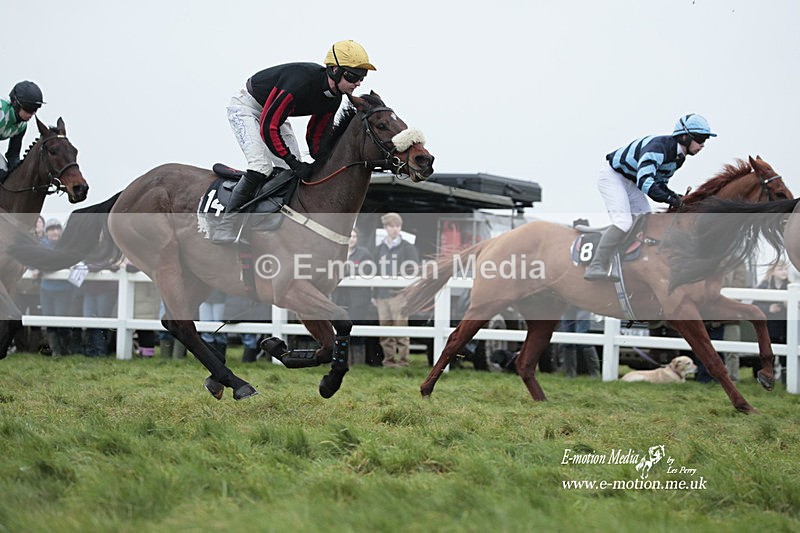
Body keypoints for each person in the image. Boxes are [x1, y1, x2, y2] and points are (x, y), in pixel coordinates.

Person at [212, 40, 376, 244]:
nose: (358, 83)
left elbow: (316, 137)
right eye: (353, 76)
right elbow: (267, 127)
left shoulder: (334, 98)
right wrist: (293, 161)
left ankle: (266, 224)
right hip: (247, 108)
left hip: (273, 115)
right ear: (334, 70)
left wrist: (324, 162)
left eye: (362, 77)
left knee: (289, 174)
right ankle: (226, 225)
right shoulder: (299, 82)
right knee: (260, 166)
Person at [584, 114, 716, 281]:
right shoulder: (659, 148)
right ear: (684, 136)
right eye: (700, 138)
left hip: (631, 181)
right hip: (613, 177)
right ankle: (595, 265)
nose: (702, 144)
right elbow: (646, 182)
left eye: (705, 140)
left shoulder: (678, 159)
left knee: (647, 220)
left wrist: (674, 197)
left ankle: (627, 260)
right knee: (623, 222)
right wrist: (671, 198)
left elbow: (659, 183)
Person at [374, 213, 420, 367]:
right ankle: (389, 361)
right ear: (385, 228)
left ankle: (403, 361)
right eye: (392, 226)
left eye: (398, 226)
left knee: (401, 328)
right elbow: (374, 272)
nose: (395, 229)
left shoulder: (408, 247)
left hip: (399, 295)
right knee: (385, 329)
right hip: (382, 294)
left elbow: (414, 269)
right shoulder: (379, 248)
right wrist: (374, 294)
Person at [332, 227, 377, 365]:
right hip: (341, 297)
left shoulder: (364, 253)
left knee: (356, 329)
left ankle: (358, 362)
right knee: (341, 329)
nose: (351, 239)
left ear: (357, 239)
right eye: (349, 236)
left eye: (354, 236)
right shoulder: (338, 252)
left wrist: (347, 269)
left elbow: (368, 271)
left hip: (358, 299)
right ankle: (342, 360)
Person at [39, 218, 74, 356]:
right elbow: (34, 260)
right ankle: (55, 350)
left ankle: (65, 348)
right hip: (46, 289)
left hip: (63, 290)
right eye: (51, 229)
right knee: (49, 320)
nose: (54, 232)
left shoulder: (67, 245)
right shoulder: (40, 245)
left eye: (57, 228)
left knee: (62, 320)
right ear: (47, 232)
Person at [1, 81, 44, 184]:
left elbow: (13, 154)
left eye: (35, 110)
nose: (32, 114)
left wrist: (17, 171)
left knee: (5, 174)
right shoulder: (1, 111)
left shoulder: (22, 126)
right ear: (15, 103)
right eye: (29, 109)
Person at [755, 261, 790, 383]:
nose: (784, 272)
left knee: (786, 358)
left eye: (785, 269)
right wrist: (768, 309)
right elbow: (754, 305)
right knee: (767, 355)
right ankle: (766, 381)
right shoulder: (763, 286)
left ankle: (787, 382)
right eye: (780, 269)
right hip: (769, 327)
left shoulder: (792, 286)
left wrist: (791, 305)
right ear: (773, 271)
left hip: (786, 328)